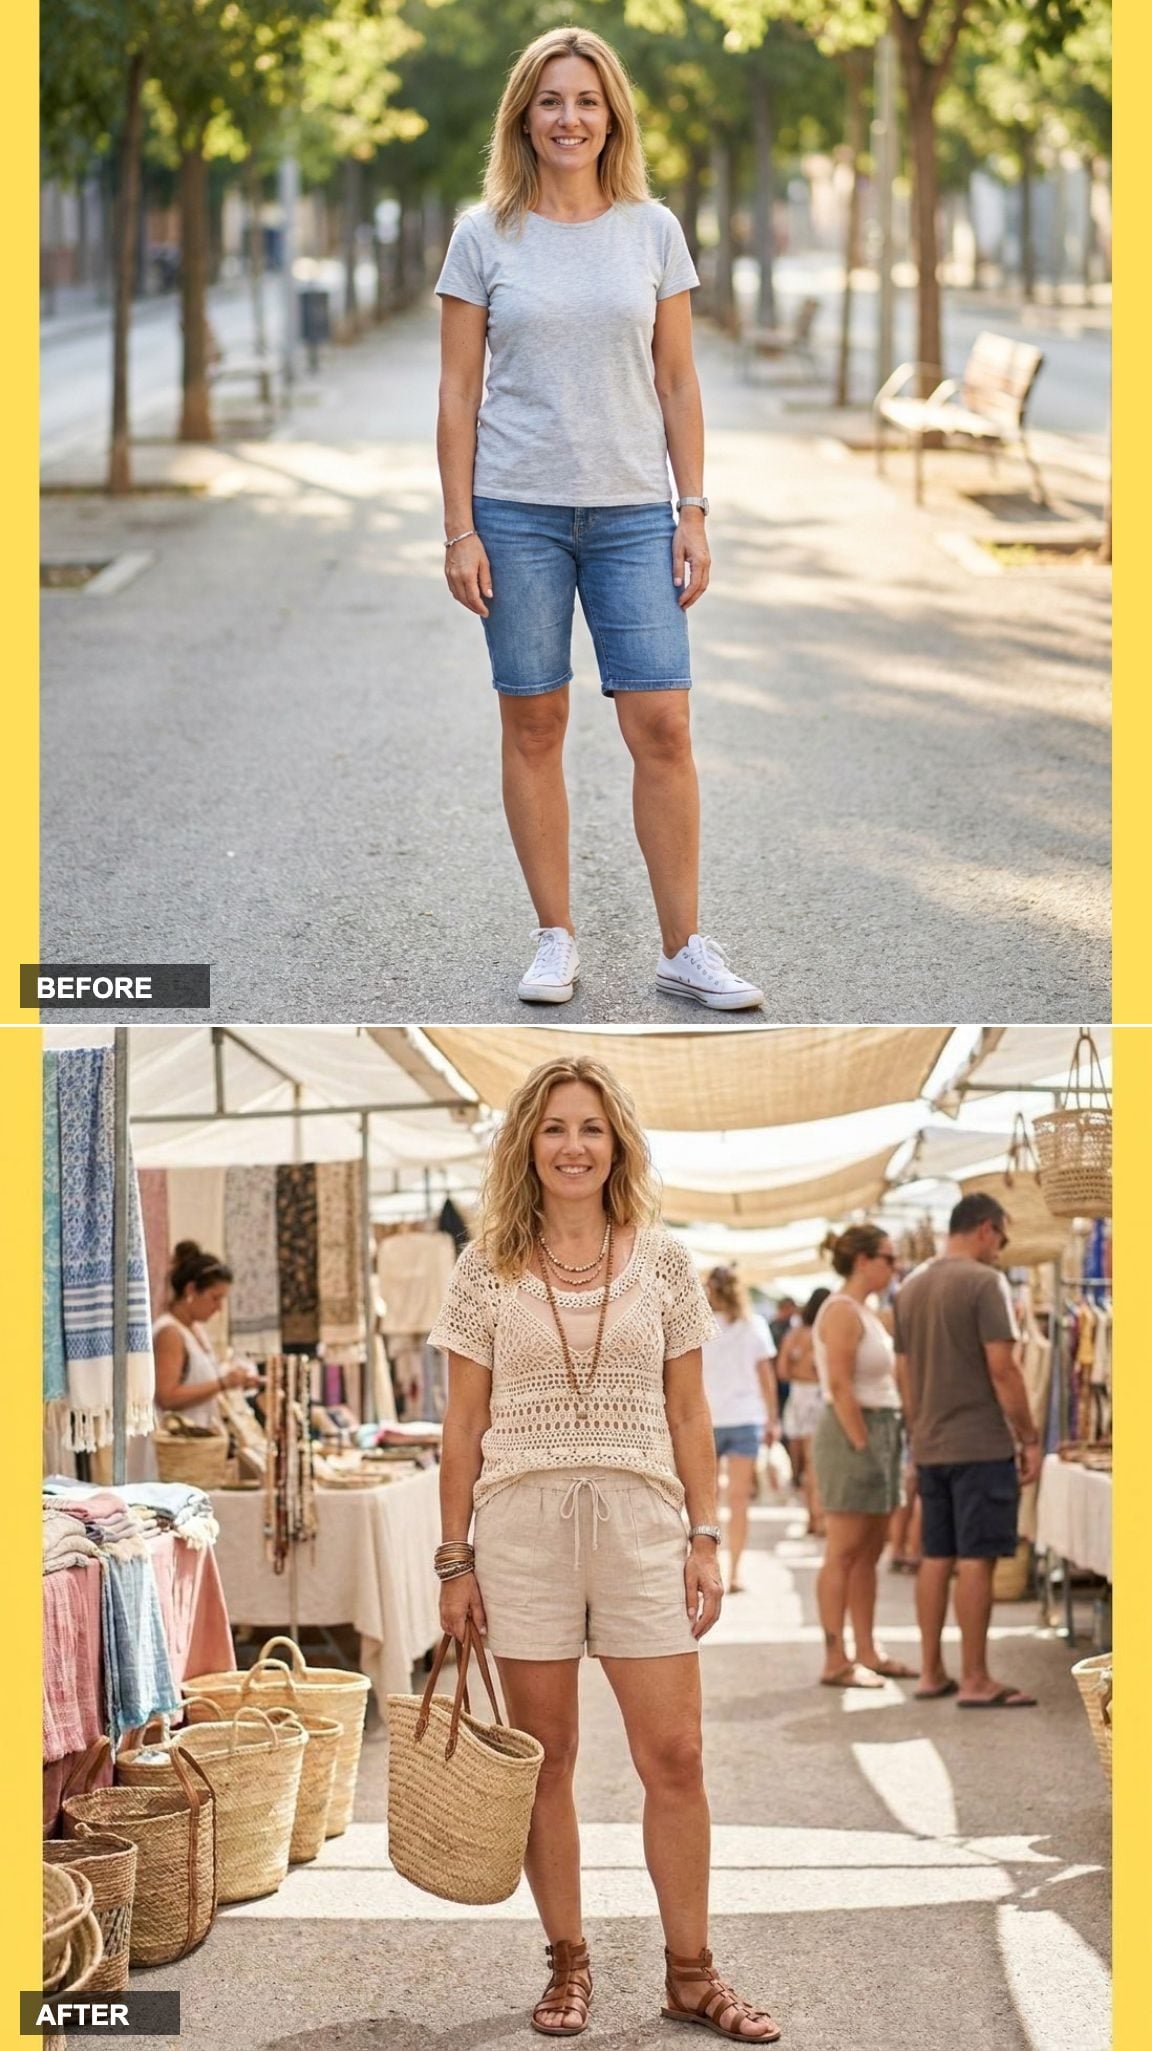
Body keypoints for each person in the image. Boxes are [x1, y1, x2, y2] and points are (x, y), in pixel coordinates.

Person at [430, 1056, 780, 2042]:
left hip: (641, 1524)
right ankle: (568, 1964)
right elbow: (461, 1425)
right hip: (519, 1530)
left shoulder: (663, 1260)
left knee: (676, 1754)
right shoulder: (483, 1266)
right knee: (548, 1761)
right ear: (526, 1146)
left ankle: (693, 1972)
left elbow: (689, 1409)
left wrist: (705, 1534)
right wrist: (453, 1560)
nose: (573, 1144)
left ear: (616, 1140)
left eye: (590, 1126)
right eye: (553, 1127)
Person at [435, 27, 763, 1013]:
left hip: (631, 512)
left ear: (611, 113)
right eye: (550, 101)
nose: (569, 118)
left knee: (662, 723)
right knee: (534, 720)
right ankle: (554, 936)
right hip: (516, 510)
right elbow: (456, 392)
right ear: (523, 118)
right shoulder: (483, 233)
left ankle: (684, 946)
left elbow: (677, 378)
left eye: (586, 100)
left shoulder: (652, 229)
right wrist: (460, 527)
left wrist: (693, 508)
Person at [893, 1192, 1042, 1709]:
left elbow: (903, 1371)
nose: (1001, 1247)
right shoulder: (985, 1282)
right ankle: (976, 1677)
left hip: (932, 1443)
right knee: (976, 1558)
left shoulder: (910, 1287)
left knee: (937, 1555)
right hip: (980, 1443)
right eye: (1001, 1235)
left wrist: (919, 1431)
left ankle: (932, 1671)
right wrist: (1028, 1435)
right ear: (985, 1227)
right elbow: (1004, 1368)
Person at [811, 1227, 916, 1690]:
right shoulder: (840, 1311)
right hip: (857, 1431)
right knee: (844, 1550)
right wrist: (861, 1443)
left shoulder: (868, 1312)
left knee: (869, 1552)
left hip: (879, 1431)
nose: (894, 1267)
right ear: (862, 1260)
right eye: (888, 1258)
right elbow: (838, 1385)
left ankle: (867, 1650)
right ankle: (836, 1658)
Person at [701, 1267, 778, 1593]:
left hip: (706, 1419)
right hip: (746, 1418)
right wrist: (773, 1419)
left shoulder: (698, 1325)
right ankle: (735, 1572)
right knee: (739, 1500)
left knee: (708, 1502)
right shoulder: (754, 1325)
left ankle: (712, 1567)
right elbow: (766, 1376)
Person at [152, 1242, 260, 1424]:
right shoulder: (169, 1333)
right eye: (215, 1298)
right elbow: (166, 1397)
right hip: (175, 1446)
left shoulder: (194, 1329)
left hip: (197, 1442)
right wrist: (222, 1383)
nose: (218, 1307)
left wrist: (233, 1380)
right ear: (191, 1290)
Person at [776, 1288, 829, 1535]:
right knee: (818, 1462)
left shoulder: (794, 1334)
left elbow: (783, 1371)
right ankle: (819, 1518)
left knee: (807, 1462)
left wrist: (800, 1371)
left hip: (798, 1396)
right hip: (818, 1396)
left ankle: (812, 1516)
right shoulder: (824, 1334)